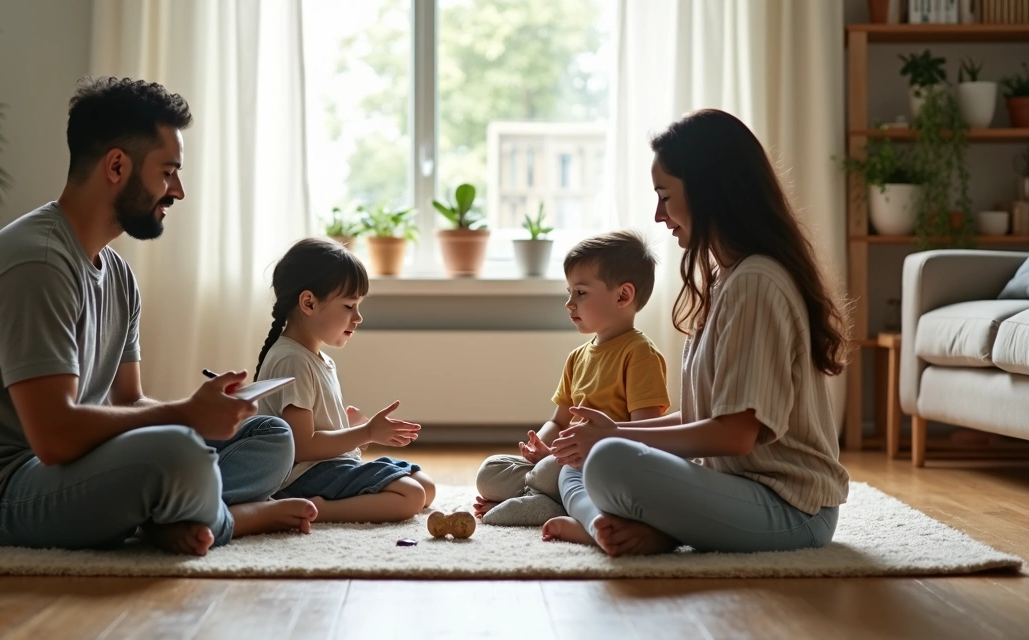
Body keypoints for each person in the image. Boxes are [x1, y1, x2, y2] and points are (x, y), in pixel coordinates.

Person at [0, 76, 317, 557]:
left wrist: (203, 410)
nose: (178, 191)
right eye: (168, 171)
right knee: (180, 454)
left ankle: (173, 511)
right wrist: (185, 418)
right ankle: (226, 518)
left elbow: (129, 403)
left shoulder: (119, 277)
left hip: (74, 468)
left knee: (270, 436)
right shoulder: (37, 263)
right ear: (116, 166)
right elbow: (53, 437)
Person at [542, 108, 851, 556]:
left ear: (709, 192)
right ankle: (633, 527)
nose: (658, 214)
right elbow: (699, 417)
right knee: (583, 462)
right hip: (733, 490)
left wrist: (616, 437)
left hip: (791, 510)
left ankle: (635, 528)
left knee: (608, 459)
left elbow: (734, 436)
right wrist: (606, 433)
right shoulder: (728, 279)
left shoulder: (756, 282)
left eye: (665, 196)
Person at [472, 231, 670, 526]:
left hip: (601, 466)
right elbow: (559, 421)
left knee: (558, 470)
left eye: (580, 292)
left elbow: (643, 434)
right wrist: (539, 446)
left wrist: (561, 457)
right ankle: (542, 496)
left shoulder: (639, 354)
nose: (569, 303)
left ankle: (546, 499)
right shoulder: (577, 357)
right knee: (490, 470)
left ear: (623, 295)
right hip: (560, 462)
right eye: (569, 292)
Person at [255, 237, 436, 522]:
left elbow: (314, 430)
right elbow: (303, 447)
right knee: (410, 496)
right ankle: (314, 509)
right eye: (349, 306)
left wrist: (348, 428)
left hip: (329, 467)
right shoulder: (292, 360)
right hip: (302, 478)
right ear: (309, 302)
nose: (358, 317)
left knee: (426, 486)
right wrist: (366, 434)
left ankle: (332, 502)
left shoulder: (316, 359)